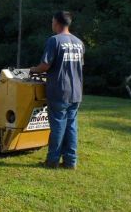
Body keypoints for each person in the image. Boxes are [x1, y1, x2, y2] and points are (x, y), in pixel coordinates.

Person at [30, 11, 84, 170]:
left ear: (57, 23)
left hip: (60, 91)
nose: (52, 24)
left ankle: (52, 161)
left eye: (52, 21)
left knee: (58, 126)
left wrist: (33, 69)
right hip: (76, 92)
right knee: (71, 127)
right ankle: (70, 162)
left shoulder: (54, 41)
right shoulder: (79, 42)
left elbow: (45, 66)